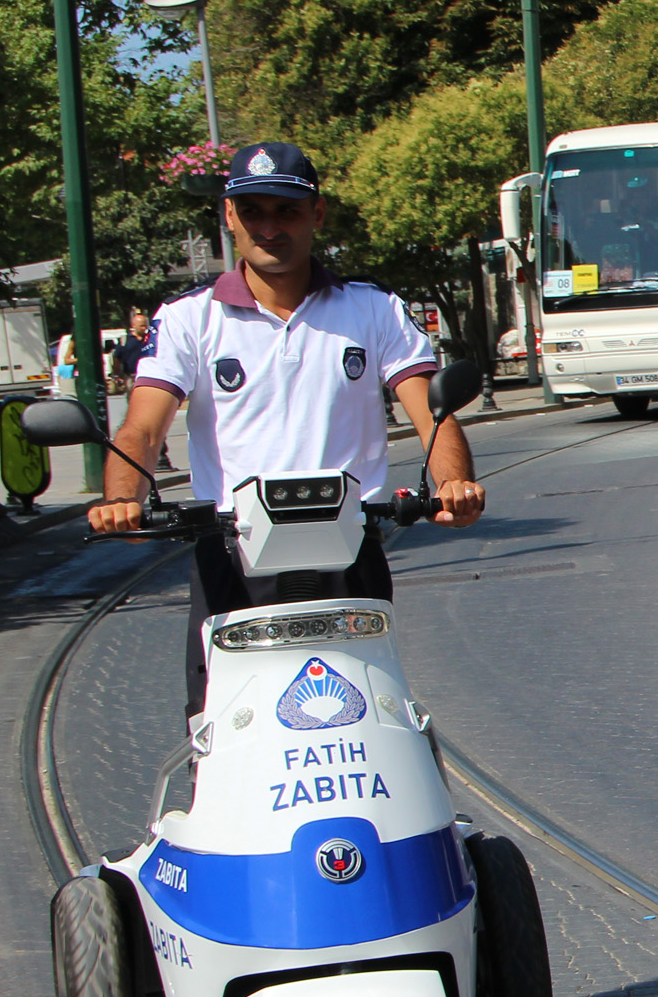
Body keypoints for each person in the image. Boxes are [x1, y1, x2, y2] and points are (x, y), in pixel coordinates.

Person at [89, 143, 486, 716]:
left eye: (287, 211)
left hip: (349, 545)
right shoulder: (187, 318)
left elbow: (431, 412)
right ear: (229, 216)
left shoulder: (372, 309)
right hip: (232, 553)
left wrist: (454, 486)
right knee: (222, 724)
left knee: (374, 713)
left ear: (316, 215)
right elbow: (143, 429)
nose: (269, 227)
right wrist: (121, 500)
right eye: (253, 212)